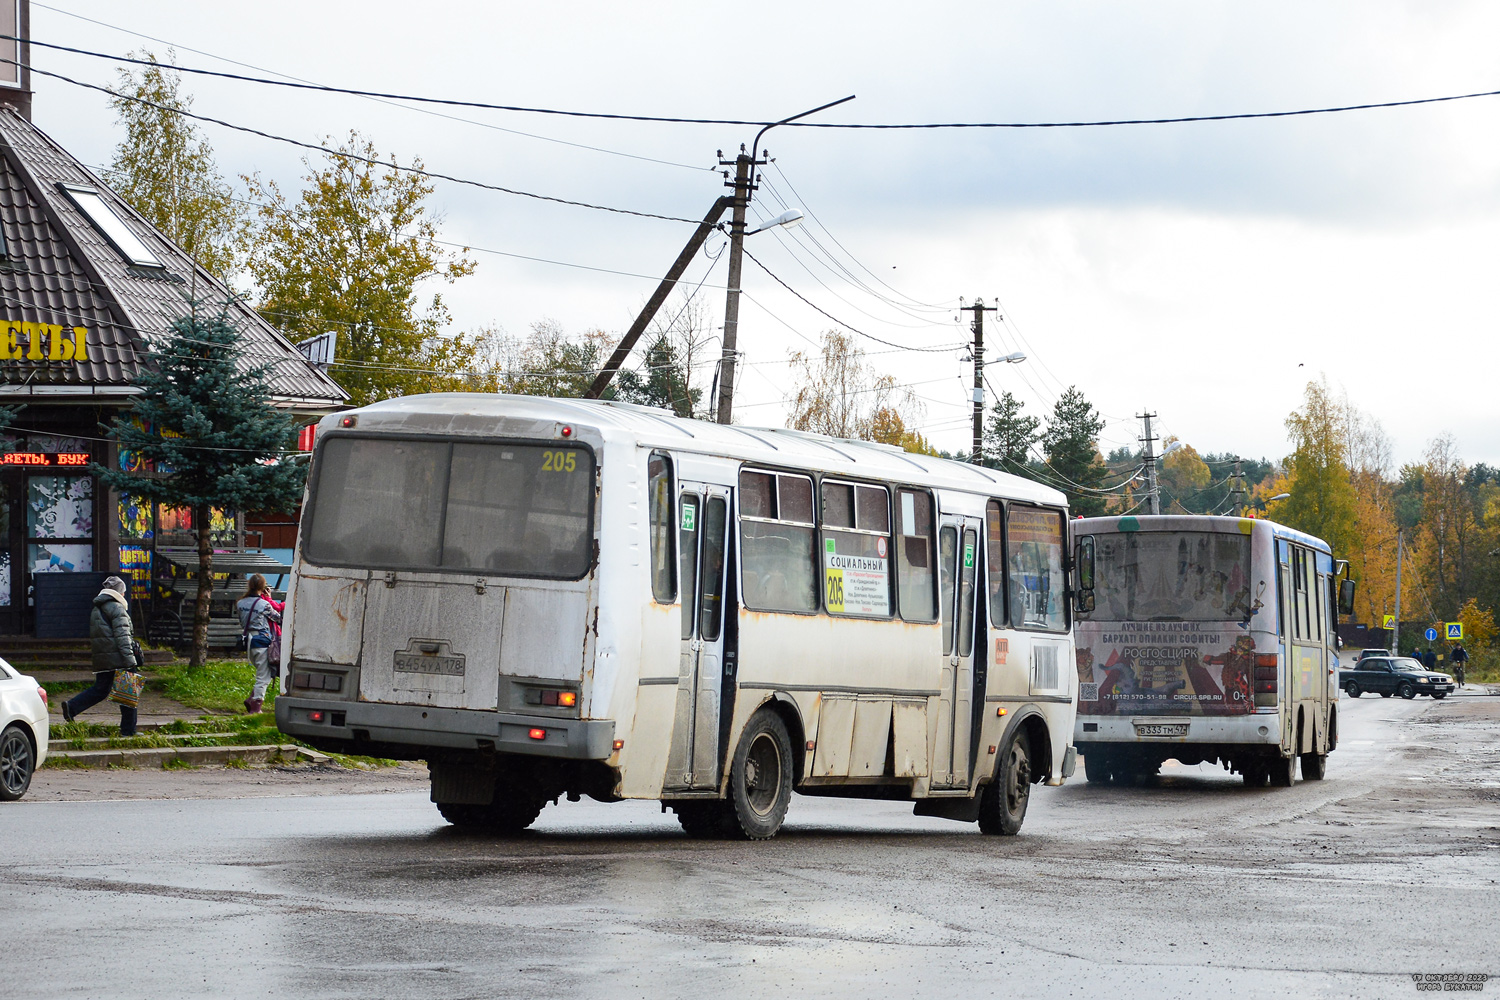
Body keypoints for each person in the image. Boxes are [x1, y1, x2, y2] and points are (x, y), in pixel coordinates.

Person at [61, 576, 142, 736]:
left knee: (100, 689)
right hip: (120, 658)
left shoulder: (97, 608)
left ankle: (72, 707)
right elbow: (123, 637)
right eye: (124, 591)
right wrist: (130, 660)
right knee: (127, 694)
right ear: (118, 592)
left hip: (103, 658)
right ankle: (128, 731)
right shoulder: (117, 608)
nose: (125, 595)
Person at [237, 574, 284, 715]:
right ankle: (256, 709)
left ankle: (251, 698)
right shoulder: (264, 604)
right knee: (263, 677)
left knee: (264, 672)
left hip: (248, 642)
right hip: (262, 641)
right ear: (263, 588)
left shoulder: (240, 603)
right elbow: (278, 618)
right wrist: (270, 598)